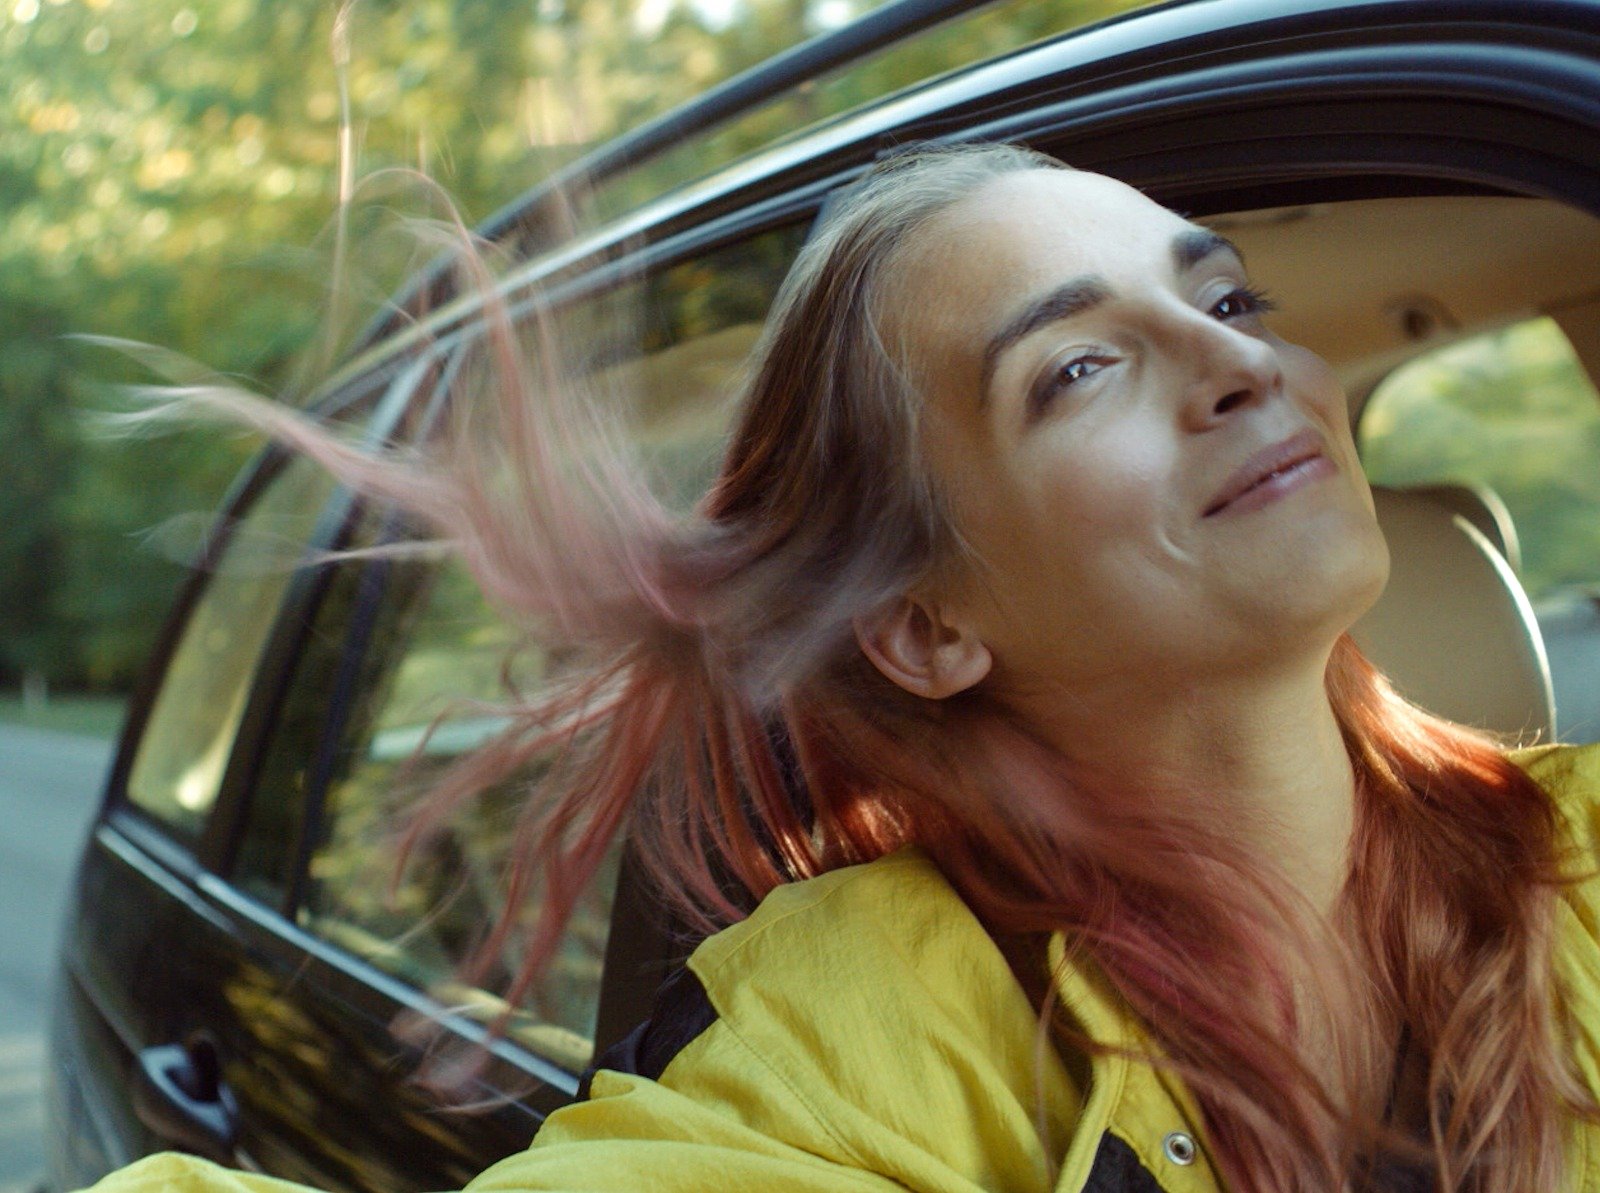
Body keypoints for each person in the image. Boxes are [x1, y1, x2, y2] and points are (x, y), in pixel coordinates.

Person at [83, 142, 1600, 1192]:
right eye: (1077, 370)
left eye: (1225, 300)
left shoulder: (1578, 854)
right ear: (930, 626)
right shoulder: (870, 1030)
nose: (1246, 365)